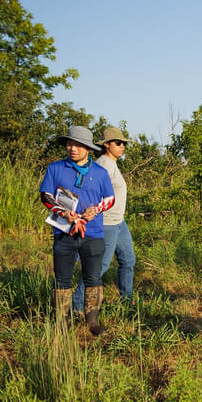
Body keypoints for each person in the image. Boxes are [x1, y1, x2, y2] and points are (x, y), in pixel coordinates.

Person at [39, 126, 114, 336]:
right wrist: (64, 213)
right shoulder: (55, 168)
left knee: (93, 277)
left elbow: (110, 199)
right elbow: (45, 195)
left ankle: (92, 321)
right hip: (64, 232)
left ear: (88, 149)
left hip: (94, 233)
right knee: (62, 279)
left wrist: (95, 210)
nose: (73, 148)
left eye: (79, 145)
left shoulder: (100, 172)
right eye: (70, 143)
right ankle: (62, 323)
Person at [72, 127, 136, 313]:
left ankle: (127, 301)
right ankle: (77, 308)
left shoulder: (111, 163)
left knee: (128, 260)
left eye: (123, 143)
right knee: (100, 266)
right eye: (118, 143)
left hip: (119, 222)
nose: (122, 146)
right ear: (107, 145)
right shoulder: (104, 165)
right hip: (107, 223)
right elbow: (88, 188)